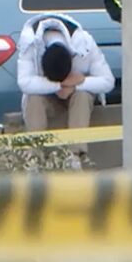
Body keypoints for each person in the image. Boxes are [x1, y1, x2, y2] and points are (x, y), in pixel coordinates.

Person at [16, 13, 116, 156]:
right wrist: (58, 86)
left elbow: (108, 81)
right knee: (34, 98)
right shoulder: (30, 43)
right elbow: (24, 83)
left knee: (82, 96)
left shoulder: (85, 42)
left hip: (76, 100)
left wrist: (78, 84)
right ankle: (34, 155)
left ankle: (75, 155)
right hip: (48, 100)